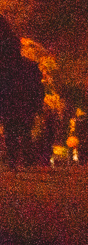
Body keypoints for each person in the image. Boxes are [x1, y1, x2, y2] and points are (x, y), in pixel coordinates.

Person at [0, 16, 44, 170]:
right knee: (22, 127)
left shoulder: (8, 50)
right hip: (19, 92)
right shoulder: (28, 66)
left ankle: (15, 159)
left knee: (11, 127)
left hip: (10, 89)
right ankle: (24, 158)